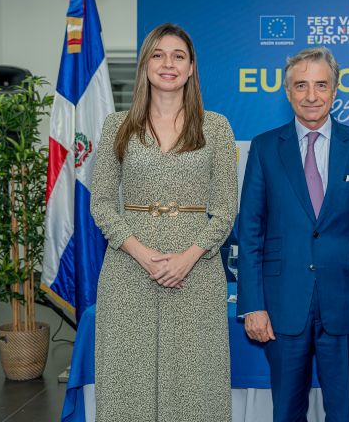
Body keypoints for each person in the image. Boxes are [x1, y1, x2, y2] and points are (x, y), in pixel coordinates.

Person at [91, 23, 237, 421]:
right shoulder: (117, 125)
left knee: (194, 384)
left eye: (178, 56)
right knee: (127, 383)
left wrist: (188, 257)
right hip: (128, 271)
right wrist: (142, 254)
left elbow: (226, 209)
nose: (168, 64)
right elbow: (101, 203)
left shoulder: (216, 127)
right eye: (158, 55)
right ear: (145, 65)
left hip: (195, 273)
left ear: (191, 68)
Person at [237, 47, 349, 422]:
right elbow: (251, 231)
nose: (311, 95)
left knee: (343, 413)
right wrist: (252, 304)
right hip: (283, 303)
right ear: (287, 91)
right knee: (286, 412)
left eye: (321, 85)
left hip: (348, 303)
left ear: (335, 90)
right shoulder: (264, 147)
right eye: (301, 85)